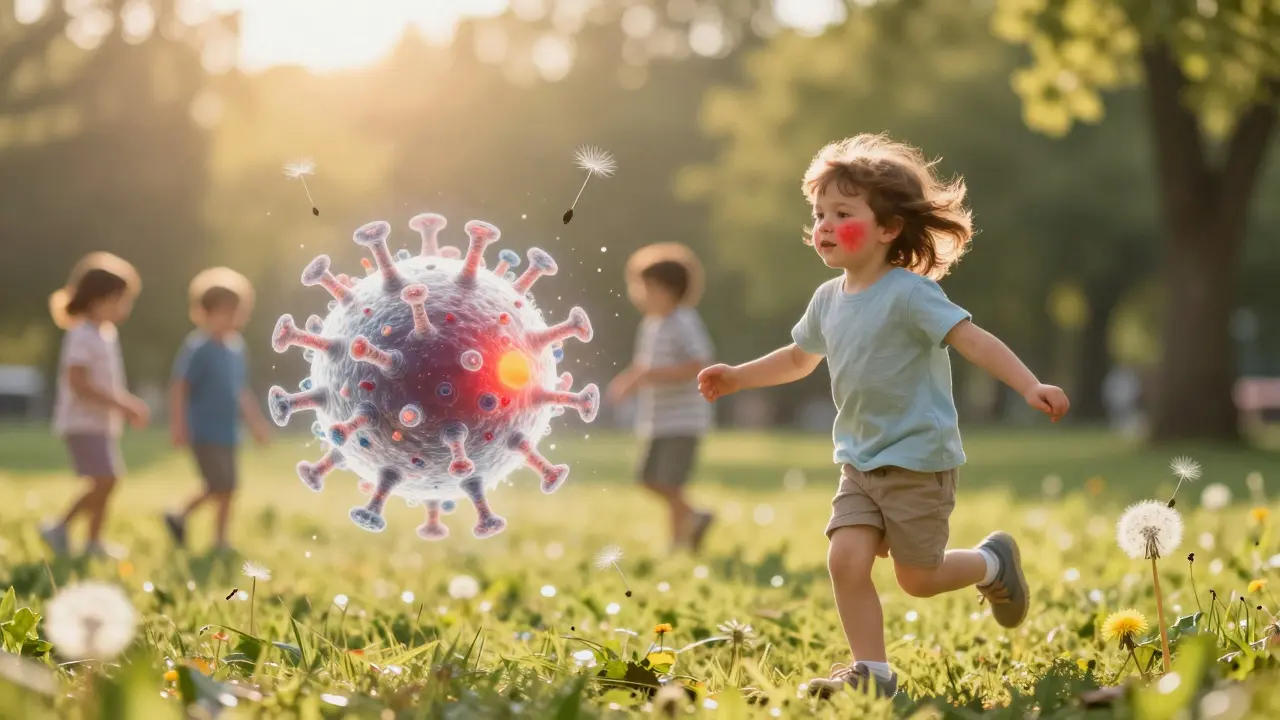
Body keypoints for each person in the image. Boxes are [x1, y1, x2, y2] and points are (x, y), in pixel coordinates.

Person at [696, 134, 1070, 698]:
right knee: (845, 560)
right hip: (860, 462)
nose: (823, 224)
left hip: (918, 459)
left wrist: (1029, 383)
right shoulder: (827, 298)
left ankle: (993, 564)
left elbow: (973, 341)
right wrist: (737, 376)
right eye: (818, 213)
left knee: (917, 580)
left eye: (842, 214)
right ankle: (873, 675)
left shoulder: (909, 295)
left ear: (888, 227)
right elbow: (798, 359)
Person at [608, 243, 717, 552]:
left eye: (644, 288)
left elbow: (700, 364)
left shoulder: (683, 321)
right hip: (657, 419)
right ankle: (690, 524)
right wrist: (628, 382)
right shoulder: (652, 325)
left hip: (684, 419)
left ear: (665, 290)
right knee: (649, 479)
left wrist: (650, 376)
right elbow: (645, 367)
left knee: (669, 483)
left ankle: (684, 532)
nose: (638, 294)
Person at [41, 252, 149, 557]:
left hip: (100, 423)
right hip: (82, 422)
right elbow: (79, 382)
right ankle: (59, 528)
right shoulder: (82, 335)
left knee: (108, 481)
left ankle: (92, 542)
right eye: (121, 300)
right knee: (107, 479)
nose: (125, 308)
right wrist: (123, 404)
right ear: (99, 299)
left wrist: (119, 407)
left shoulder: (106, 334)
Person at [164, 267, 271, 553]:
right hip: (204, 430)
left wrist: (256, 423)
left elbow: (240, 391)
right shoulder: (198, 347)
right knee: (219, 484)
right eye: (225, 311)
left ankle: (192, 523)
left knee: (226, 487)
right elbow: (179, 386)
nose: (232, 318)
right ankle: (209, 534)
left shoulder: (237, 349)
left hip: (228, 431)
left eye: (237, 311)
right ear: (205, 312)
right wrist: (178, 425)